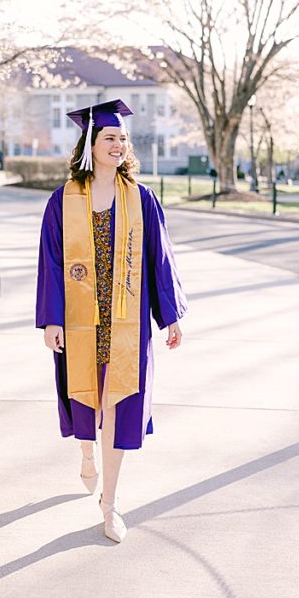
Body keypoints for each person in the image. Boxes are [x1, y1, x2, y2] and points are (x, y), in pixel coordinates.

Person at [35, 98, 187, 543]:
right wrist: (51, 319)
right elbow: (51, 261)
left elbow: (160, 257)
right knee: (87, 399)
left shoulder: (141, 198)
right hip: (80, 319)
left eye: (122, 138)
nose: (118, 145)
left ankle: (111, 504)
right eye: (109, 138)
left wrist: (171, 315)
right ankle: (87, 455)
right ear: (91, 143)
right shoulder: (63, 200)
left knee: (118, 404)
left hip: (127, 319)